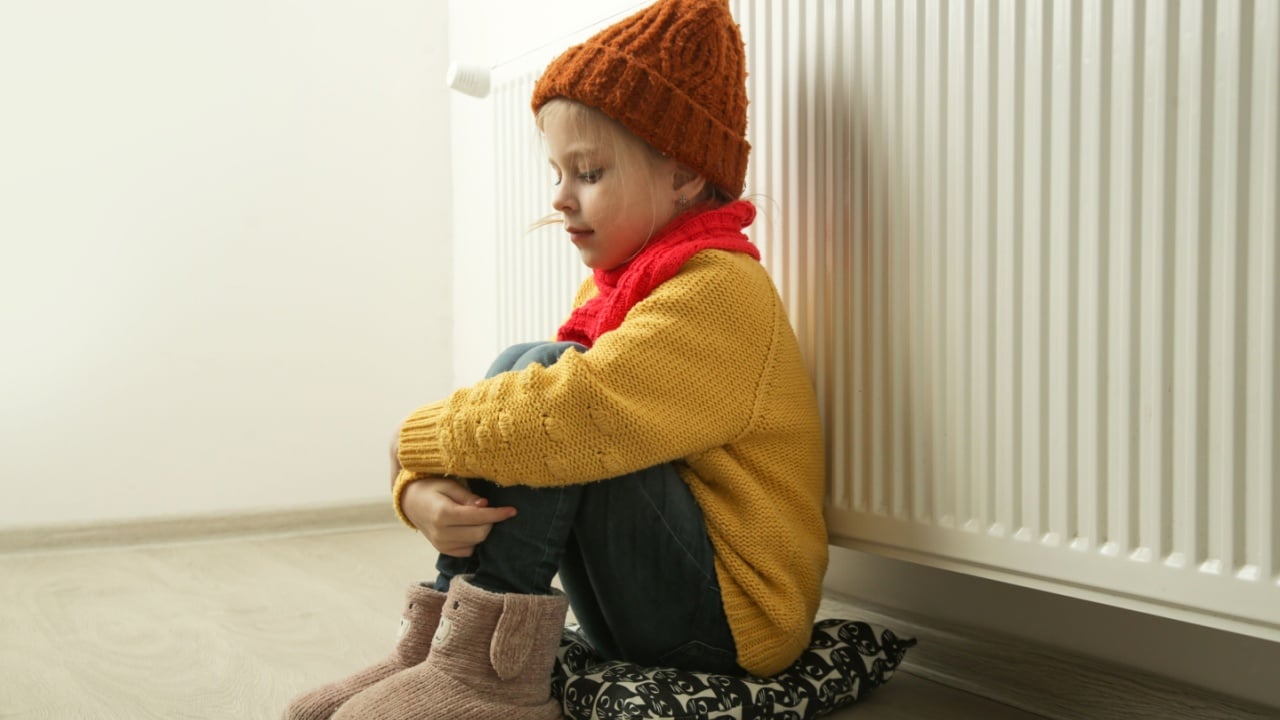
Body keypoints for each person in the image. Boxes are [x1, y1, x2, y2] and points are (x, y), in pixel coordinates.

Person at [283, 0, 827, 717]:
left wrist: (408, 441)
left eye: (590, 172)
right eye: (559, 172)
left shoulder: (719, 292)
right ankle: (445, 642)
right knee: (533, 364)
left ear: (686, 177)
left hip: (726, 624)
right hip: (641, 606)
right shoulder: (620, 289)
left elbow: (567, 419)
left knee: (548, 382)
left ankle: (490, 675)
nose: (561, 198)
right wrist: (418, 489)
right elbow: (529, 421)